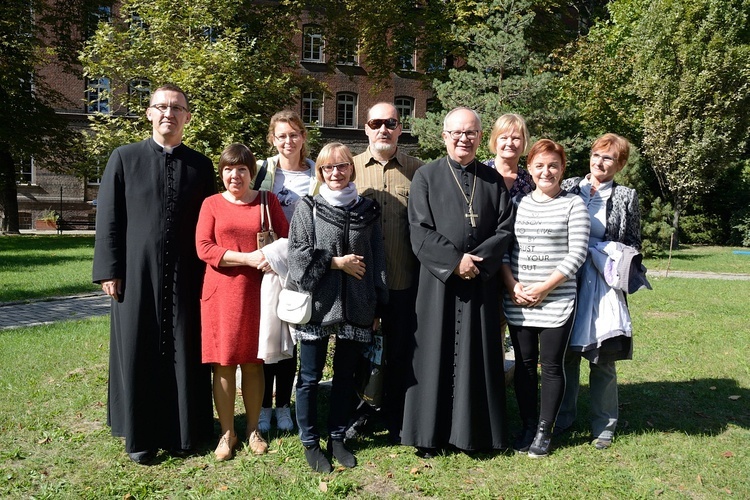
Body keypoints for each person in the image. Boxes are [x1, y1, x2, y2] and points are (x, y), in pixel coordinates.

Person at [92, 84, 216, 464]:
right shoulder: (124, 158)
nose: (168, 113)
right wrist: (109, 271)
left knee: (185, 350)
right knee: (137, 349)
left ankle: (183, 433)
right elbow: (109, 219)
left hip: (187, 275)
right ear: (148, 113)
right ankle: (140, 434)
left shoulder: (201, 165)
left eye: (177, 108)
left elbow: (211, 223)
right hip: (135, 274)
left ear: (188, 117)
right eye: (161, 106)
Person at [402, 107, 514, 456]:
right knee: (434, 353)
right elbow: (418, 229)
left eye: (471, 133)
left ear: (481, 138)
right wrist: (454, 262)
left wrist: (475, 262)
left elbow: (505, 230)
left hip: (479, 282)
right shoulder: (426, 176)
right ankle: (429, 435)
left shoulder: (494, 180)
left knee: (476, 356)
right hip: (439, 283)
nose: (464, 138)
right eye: (457, 133)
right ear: (444, 136)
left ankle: (474, 434)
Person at [287, 142, 388, 472]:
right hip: (319, 305)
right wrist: (335, 263)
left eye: (342, 166)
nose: (335, 173)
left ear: (351, 169)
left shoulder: (368, 210)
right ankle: (310, 442)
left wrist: (377, 305)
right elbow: (297, 256)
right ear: (320, 172)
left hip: (357, 306)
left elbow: (376, 260)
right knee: (310, 378)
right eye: (328, 168)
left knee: (345, 377)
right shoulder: (309, 208)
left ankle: (337, 437)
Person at [196, 143, 289, 461]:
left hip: (258, 294)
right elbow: (204, 248)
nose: (234, 175)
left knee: (253, 363)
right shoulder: (211, 204)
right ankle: (227, 433)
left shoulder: (268, 200)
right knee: (223, 364)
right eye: (228, 169)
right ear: (221, 173)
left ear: (251, 173)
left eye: (241, 169)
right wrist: (247, 258)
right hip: (221, 294)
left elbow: (287, 239)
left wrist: (269, 258)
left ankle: (252, 430)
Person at [501, 139, 590, 458]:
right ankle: (527, 424)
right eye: (539, 165)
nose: (546, 171)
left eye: (553, 165)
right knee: (524, 366)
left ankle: (544, 431)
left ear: (563, 168)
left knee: (550, 366)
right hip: (519, 299)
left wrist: (544, 288)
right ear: (530, 169)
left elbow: (577, 252)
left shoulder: (573, 204)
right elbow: (506, 251)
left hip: (556, 300)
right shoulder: (520, 204)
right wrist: (512, 284)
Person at [556, 133, 642, 450]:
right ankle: (562, 417)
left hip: (603, 283)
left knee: (602, 357)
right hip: (567, 279)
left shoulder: (626, 197)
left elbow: (634, 243)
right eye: (596, 154)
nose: (599, 162)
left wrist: (607, 253)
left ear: (619, 164)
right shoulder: (568, 187)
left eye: (608, 158)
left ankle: (604, 425)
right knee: (564, 353)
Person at [349, 102, 423, 443]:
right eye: (376, 123)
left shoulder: (418, 171)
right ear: (365, 127)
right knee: (357, 353)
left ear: (399, 128)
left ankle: (397, 416)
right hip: (359, 284)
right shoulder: (347, 168)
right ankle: (358, 414)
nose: (383, 129)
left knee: (400, 352)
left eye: (390, 123)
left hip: (404, 281)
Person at [254, 110, 319, 434]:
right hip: (270, 266)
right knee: (270, 337)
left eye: (294, 134)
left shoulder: (316, 174)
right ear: (273, 139)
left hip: (304, 267)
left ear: (303, 137)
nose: (288, 141)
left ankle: (284, 406)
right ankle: (264, 406)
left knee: (294, 338)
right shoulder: (264, 171)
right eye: (281, 136)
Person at [483, 113, 535, 197]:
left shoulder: (529, 181)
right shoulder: (480, 173)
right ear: (495, 141)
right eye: (504, 138)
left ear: (524, 142)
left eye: (516, 138)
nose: (510, 143)